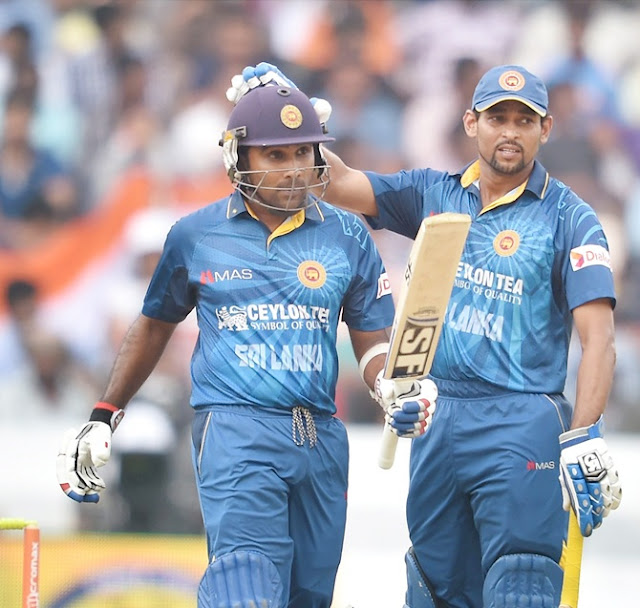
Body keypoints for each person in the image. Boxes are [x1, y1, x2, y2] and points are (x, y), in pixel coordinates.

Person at [230, 63, 624, 607]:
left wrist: (584, 435)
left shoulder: (570, 218)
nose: (510, 131)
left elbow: (599, 339)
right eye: (498, 118)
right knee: (435, 588)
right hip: (438, 419)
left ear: (546, 129)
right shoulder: (433, 193)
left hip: (523, 420)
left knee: (522, 581)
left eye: (524, 120)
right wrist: (286, 112)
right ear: (471, 123)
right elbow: (334, 182)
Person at [56, 83, 438, 608]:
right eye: (275, 155)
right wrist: (105, 413)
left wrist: (390, 387)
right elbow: (154, 325)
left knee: (308, 596)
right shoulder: (195, 235)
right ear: (238, 157)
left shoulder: (349, 235)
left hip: (320, 436)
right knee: (246, 583)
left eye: (303, 151)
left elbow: (372, 342)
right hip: (236, 428)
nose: (293, 169)